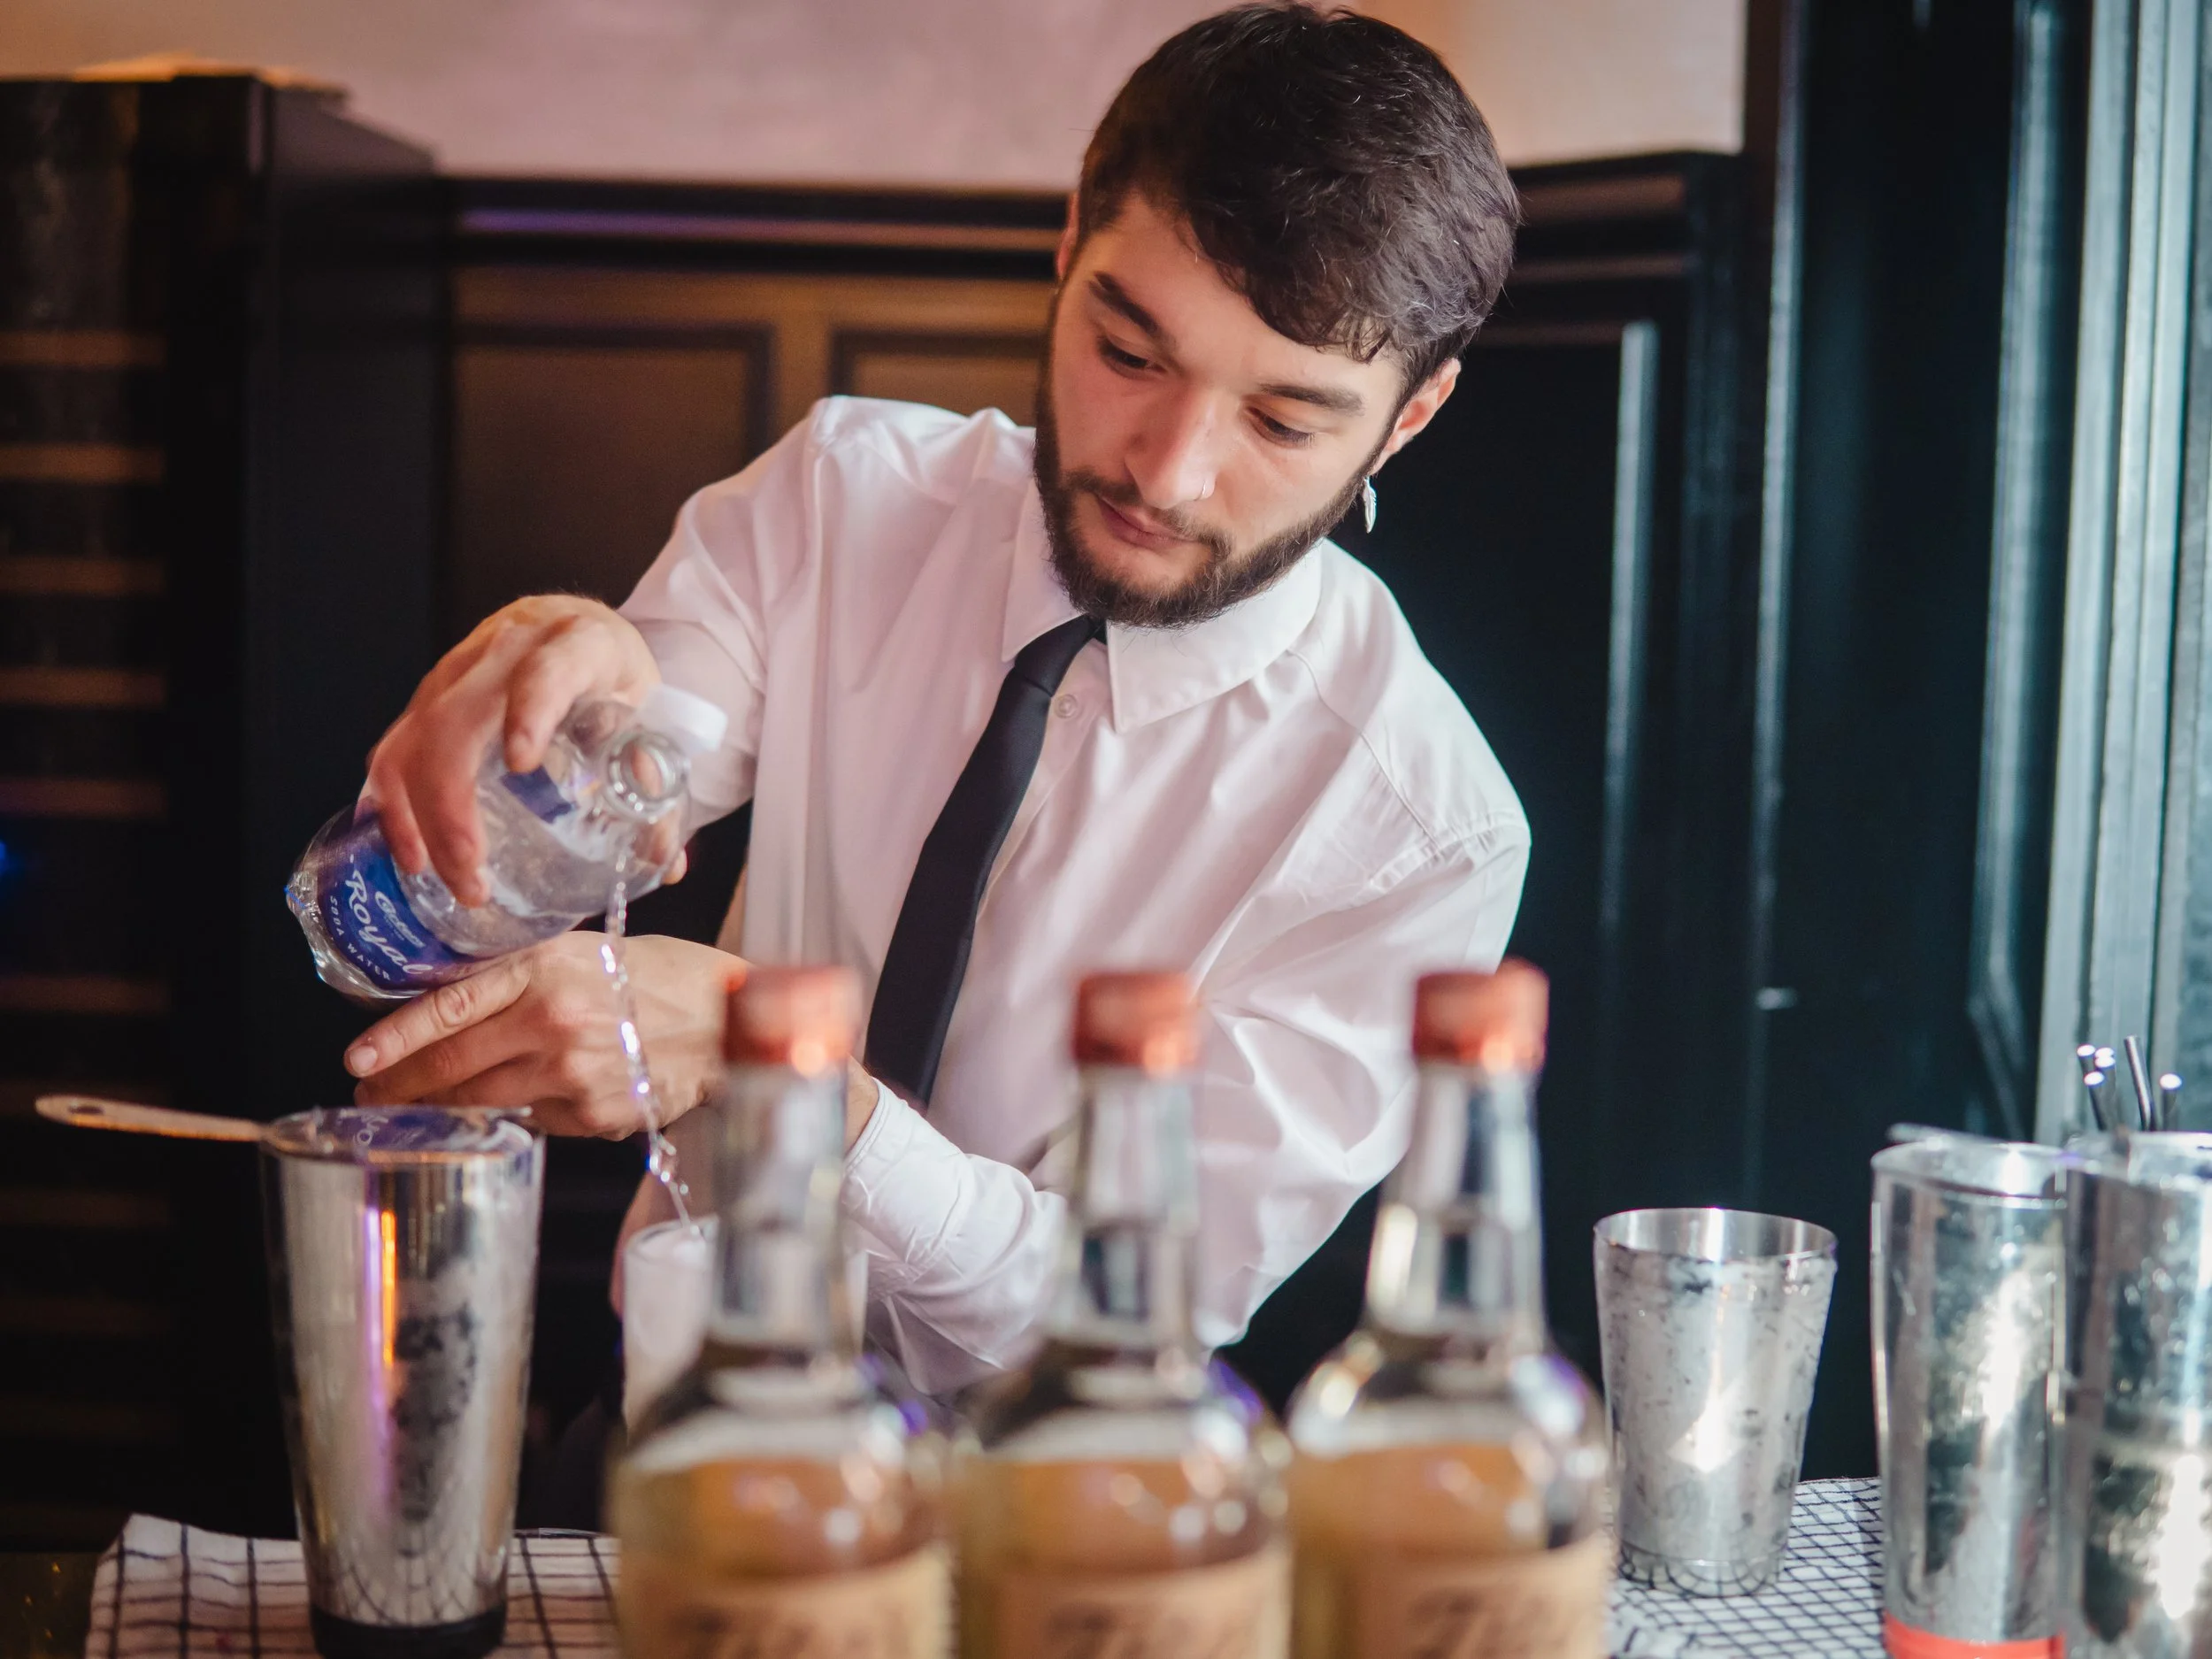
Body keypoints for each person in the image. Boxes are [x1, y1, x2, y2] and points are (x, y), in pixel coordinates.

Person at [345, 2, 1525, 1396]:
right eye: (1131, 354)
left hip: (1039, 1515)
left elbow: (1111, 1308)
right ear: (1068, 244)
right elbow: (619, 784)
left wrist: (776, 1064)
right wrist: (531, 730)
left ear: (1412, 416)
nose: (1169, 470)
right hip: (669, 1421)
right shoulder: (849, 493)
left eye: (1281, 419)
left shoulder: (1417, 833)